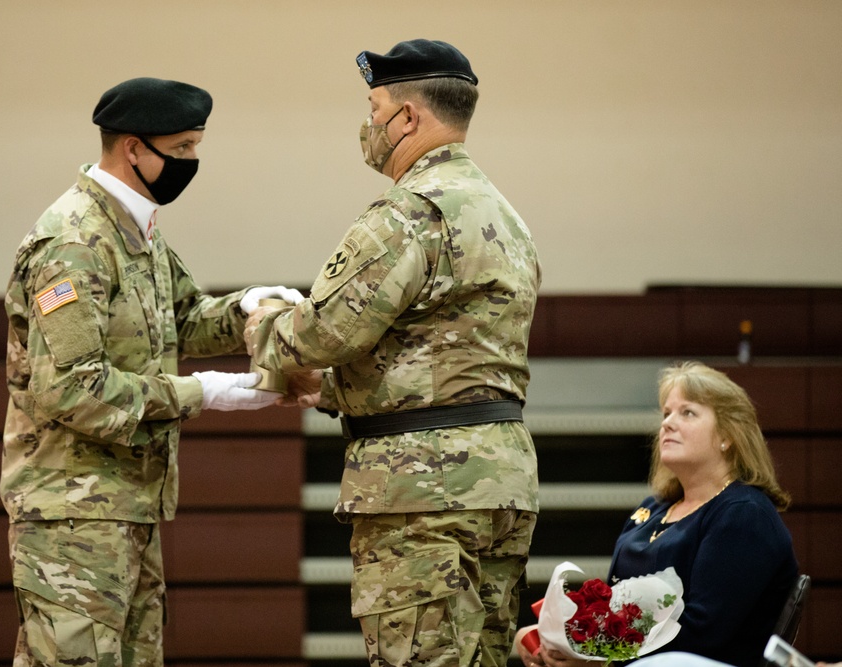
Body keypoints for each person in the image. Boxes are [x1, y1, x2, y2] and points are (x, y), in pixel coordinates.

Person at [244, 39, 541, 667]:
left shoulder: (409, 211)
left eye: (374, 106)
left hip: (420, 488)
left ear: (407, 117)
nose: (367, 125)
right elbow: (442, 358)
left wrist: (261, 321)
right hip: (501, 477)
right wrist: (327, 390)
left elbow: (321, 334)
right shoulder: (504, 213)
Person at [2, 77, 303, 666]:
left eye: (196, 147)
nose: (192, 162)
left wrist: (245, 306)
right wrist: (205, 393)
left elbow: (183, 320)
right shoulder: (75, 239)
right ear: (134, 148)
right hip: (72, 513)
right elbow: (71, 388)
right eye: (182, 148)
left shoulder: (133, 229)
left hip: (127, 503)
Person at [517, 361, 798, 667]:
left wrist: (597, 658)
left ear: (728, 435)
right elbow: (611, 606)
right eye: (666, 413)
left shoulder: (744, 514)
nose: (668, 423)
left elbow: (703, 635)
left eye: (687, 412)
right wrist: (561, 636)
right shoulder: (652, 508)